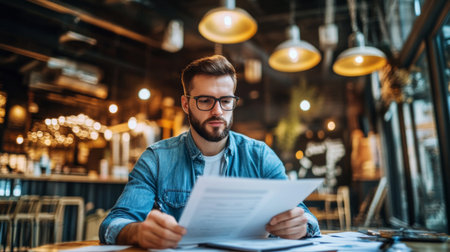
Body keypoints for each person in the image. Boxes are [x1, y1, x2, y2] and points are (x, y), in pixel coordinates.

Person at [99, 55, 320, 249]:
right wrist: (138, 232)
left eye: (225, 101)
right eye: (205, 101)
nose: (217, 111)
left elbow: (305, 218)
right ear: (186, 104)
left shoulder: (260, 156)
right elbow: (113, 224)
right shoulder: (157, 159)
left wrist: (300, 226)